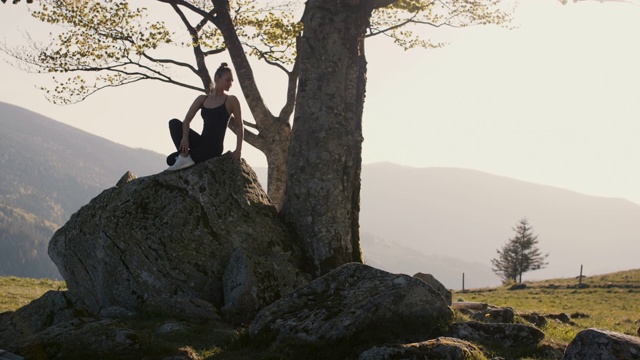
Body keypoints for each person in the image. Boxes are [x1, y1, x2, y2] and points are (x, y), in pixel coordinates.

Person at [166, 62, 243, 171]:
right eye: (228, 80)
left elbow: (240, 125)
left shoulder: (231, 100)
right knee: (173, 124)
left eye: (231, 81)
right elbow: (187, 120)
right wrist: (185, 138)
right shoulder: (203, 99)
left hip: (213, 148)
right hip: (201, 142)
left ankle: (186, 158)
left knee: (173, 161)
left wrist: (238, 150)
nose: (230, 83)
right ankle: (184, 156)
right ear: (217, 78)